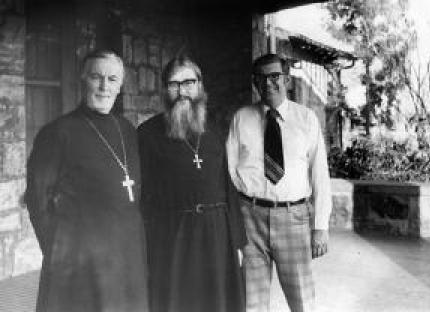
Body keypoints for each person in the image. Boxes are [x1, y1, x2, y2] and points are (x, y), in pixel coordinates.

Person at [25, 50, 149, 312]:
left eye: (112, 79)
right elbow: (38, 200)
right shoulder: (58, 132)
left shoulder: (126, 128)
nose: (105, 86)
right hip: (80, 264)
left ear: (121, 85)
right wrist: (61, 250)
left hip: (127, 256)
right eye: (96, 77)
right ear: (82, 80)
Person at [138, 55, 247, 312]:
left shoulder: (215, 132)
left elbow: (227, 187)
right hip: (173, 236)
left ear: (199, 86)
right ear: (165, 89)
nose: (182, 91)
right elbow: (144, 196)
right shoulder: (147, 134)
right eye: (174, 84)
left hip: (217, 235)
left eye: (188, 82)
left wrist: (238, 241)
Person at [226, 53, 332, 312]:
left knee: (302, 301)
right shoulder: (241, 118)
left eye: (275, 77)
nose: (268, 83)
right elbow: (228, 173)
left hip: (293, 217)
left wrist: (320, 227)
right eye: (261, 79)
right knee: (252, 301)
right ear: (255, 83)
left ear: (287, 80)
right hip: (250, 218)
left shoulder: (306, 119)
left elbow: (320, 174)